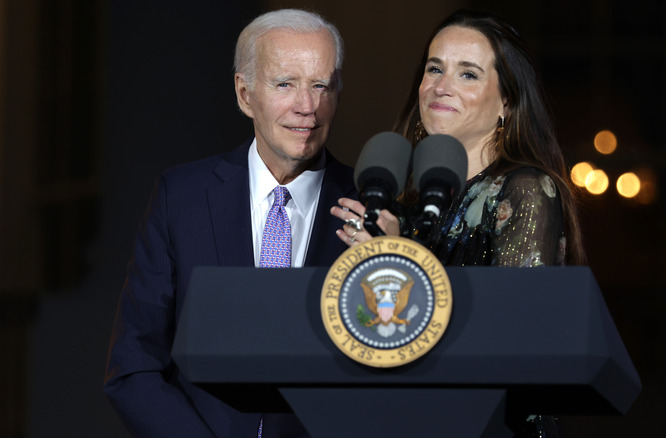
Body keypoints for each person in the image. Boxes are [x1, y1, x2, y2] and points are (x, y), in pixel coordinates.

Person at [330, 8, 587, 436]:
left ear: (507, 101)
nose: (440, 86)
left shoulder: (523, 190)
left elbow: (515, 336)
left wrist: (398, 259)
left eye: (468, 74)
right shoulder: (405, 205)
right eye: (434, 68)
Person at [104, 9, 356, 437]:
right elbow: (134, 365)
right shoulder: (181, 197)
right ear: (244, 94)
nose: (307, 107)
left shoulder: (373, 207)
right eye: (285, 84)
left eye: (321, 85)